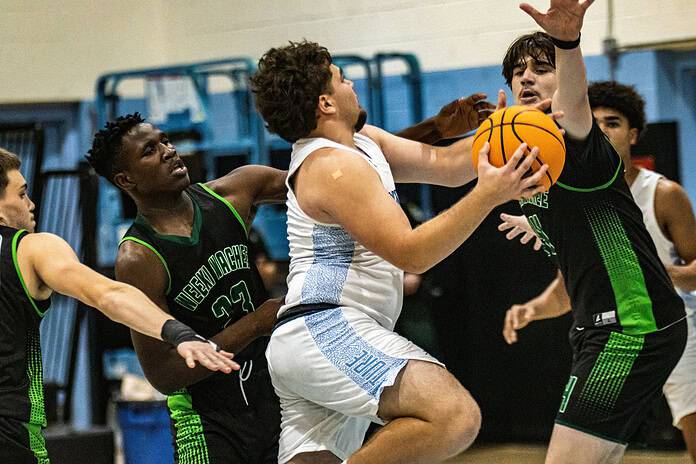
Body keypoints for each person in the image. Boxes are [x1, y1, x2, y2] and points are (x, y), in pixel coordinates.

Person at [250, 40, 548, 464]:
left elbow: (446, 166)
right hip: (326, 327)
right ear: (326, 103)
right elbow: (413, 255)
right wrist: (487, 196)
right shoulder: (331, 167)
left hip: (318, 335)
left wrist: (511, 129)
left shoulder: (363, 143)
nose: (352, 84)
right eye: (341, 78)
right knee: (453, 415)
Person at [491, 1, 688, 462]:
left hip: (632, 327)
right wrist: (543, 232)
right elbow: (576, 275)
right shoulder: (530, 167)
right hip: (597, 327)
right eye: (517, 72)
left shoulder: (580, 144)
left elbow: (576, 104)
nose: (525, 78)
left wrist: (566, 43)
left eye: (541, 69)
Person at [0, 147, 236, 464]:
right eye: (22, 194)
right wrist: (177, 332)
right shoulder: (30, 249)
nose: (31, 204)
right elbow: (107, 294)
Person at [87, 114, 286, 463]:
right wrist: (255, 324)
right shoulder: (138, 258)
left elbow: (319, 179)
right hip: (208, 421)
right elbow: (164, 375)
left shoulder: (232, 194)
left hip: (275, 397)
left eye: (165, 141)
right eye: (150, 150)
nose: (168, 151)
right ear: (126, 179)